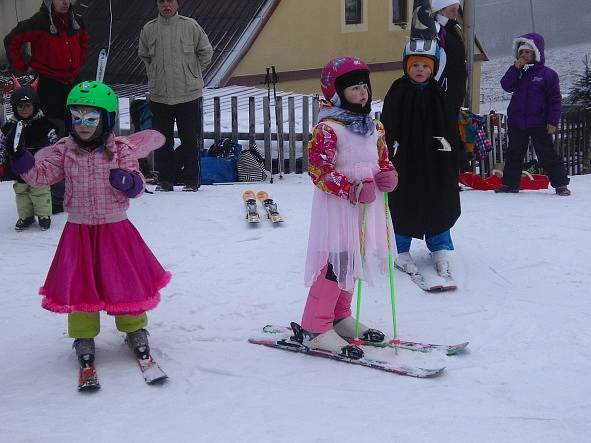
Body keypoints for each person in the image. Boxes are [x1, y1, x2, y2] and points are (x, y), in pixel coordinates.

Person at [7, 81, 171, 373]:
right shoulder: (64, 151)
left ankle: (135, 328)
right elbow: (40, 177)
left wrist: (128, 182)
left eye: (91, 118)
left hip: (115, 230)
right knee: (80, 284)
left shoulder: (120, 149)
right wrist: (21, 160)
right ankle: (83, 335)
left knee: (126, 282)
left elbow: (138, 183)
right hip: (79, 231)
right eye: (76, 117)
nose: (83, 124)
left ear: (106, 119)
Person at [301, 56, 398, 358]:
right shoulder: (328, 128)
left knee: (353, 259)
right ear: (337, 93)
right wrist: (352, 187)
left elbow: (382, 159)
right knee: (336, 262)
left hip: (367, 206)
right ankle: (315, 327)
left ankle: (340, 316)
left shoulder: (375, 126)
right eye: (354, 88)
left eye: (364, 87)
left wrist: (388, 174)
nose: (362, 93)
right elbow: (318, 170)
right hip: (339, 206)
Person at [380, 38, 460, 285]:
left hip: (435, 162)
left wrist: (450, 154)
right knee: (404, 203)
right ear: (406, 66)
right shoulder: (397, 91)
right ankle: (401, 251)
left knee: (438, 201)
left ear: (433, 69)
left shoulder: (439, 94)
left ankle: (439, 248)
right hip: (405, 161)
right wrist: (389, 152)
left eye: (425, 66)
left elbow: (447, 127)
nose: (420, 70)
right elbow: (388, 125)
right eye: (415, 65)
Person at [4, 0, 89, 212]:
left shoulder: (76, 22)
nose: (65, 2)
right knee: (54, 139)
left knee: (79, 135)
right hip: (49, 85)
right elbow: (12, 40)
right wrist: (22, 65)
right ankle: (56, 196)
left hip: (74, 84)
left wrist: (79, 64)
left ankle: (79, 189)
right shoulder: (39, 21)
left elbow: (85, 43)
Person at [139, 0, 213, 192]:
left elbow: (206, 52)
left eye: (170, 1)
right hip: (160, 96)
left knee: (190, 139)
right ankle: (165, 180)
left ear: (177, 4)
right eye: (162, 1)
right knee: (162, 140)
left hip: (188, 94)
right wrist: (155, 74)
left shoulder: (190, 25)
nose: (166, 5)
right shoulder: (149, 29)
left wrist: (192, 73)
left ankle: (191, 180)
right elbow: (144, 55)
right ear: (157, 4)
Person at [497, 33, 570, 196]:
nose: (524, 56)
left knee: (547, 154)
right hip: (517, 121)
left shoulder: (548, 74)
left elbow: (555, 100)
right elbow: (506, 86)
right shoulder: (518, 72)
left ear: (536, 53)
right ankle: (510, 184)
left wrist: (552, 120)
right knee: (514, 153)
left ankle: (561, 184)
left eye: (527, 53)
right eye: (521, 53)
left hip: (539, 122)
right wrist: (515, 69)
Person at [0, 84, 58, 231]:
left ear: (35, 106)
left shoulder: (43, 124)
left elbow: (53, 145)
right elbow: (2, 145)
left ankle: (44, 215)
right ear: (14, 108)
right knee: (21, 191)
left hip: (38, 165)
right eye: (20, 106)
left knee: (40, 189)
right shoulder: (9, 126)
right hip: (18, 166)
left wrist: (50, 162)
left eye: (27, 105)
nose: (23, 109)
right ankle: (26, 216)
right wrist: (2, 161)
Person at [432, 0, 469, 171]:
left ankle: (458, 167)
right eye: (452, 10)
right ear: (441, 10)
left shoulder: (453, 29)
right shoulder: (437, 29)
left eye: (456, 10)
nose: (455, 14)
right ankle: (451, 166)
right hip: (444, 89)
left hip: (454, 89)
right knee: (443, 129)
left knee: (451, 128)